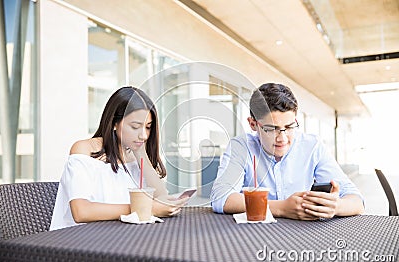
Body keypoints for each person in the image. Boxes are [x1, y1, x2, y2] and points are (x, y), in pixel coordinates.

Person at [211, 83, 364, 220]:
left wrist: (336, 206)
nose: (282, 138)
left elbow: (356, 201)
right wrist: (282, 208)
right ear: (253, 124)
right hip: (252, 237)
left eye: (290, 127)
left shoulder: (312, 146)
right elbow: (221, 198)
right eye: (272, 129)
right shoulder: (241, 147)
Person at [50, 86, 188, 230]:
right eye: (135, 126)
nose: (144, 135)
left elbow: (161, 199)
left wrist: (141, 153)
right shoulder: (84, 150)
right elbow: (81, 212)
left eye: (148, 127)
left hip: (120, 237)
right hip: (76, 242)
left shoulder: (134, 155)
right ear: (115, 123)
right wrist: (144, 209)